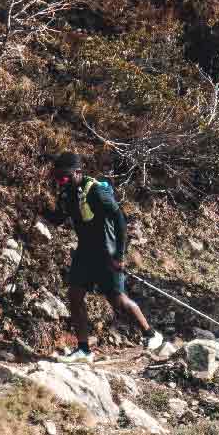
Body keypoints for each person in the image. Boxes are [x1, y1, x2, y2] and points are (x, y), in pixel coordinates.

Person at [45, 152, 162, 361]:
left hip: (106, 254)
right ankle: (83, 350)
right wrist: (42, 211)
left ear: (78, 172)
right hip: (84, 253)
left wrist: (119, 255)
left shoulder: (97, 191)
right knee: (74, 295)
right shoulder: (67, 194)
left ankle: (151, 334)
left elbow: (120, 220)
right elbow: (59, 219)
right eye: (57, 178)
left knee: (117, 299)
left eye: (65, 177)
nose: (61, 181)